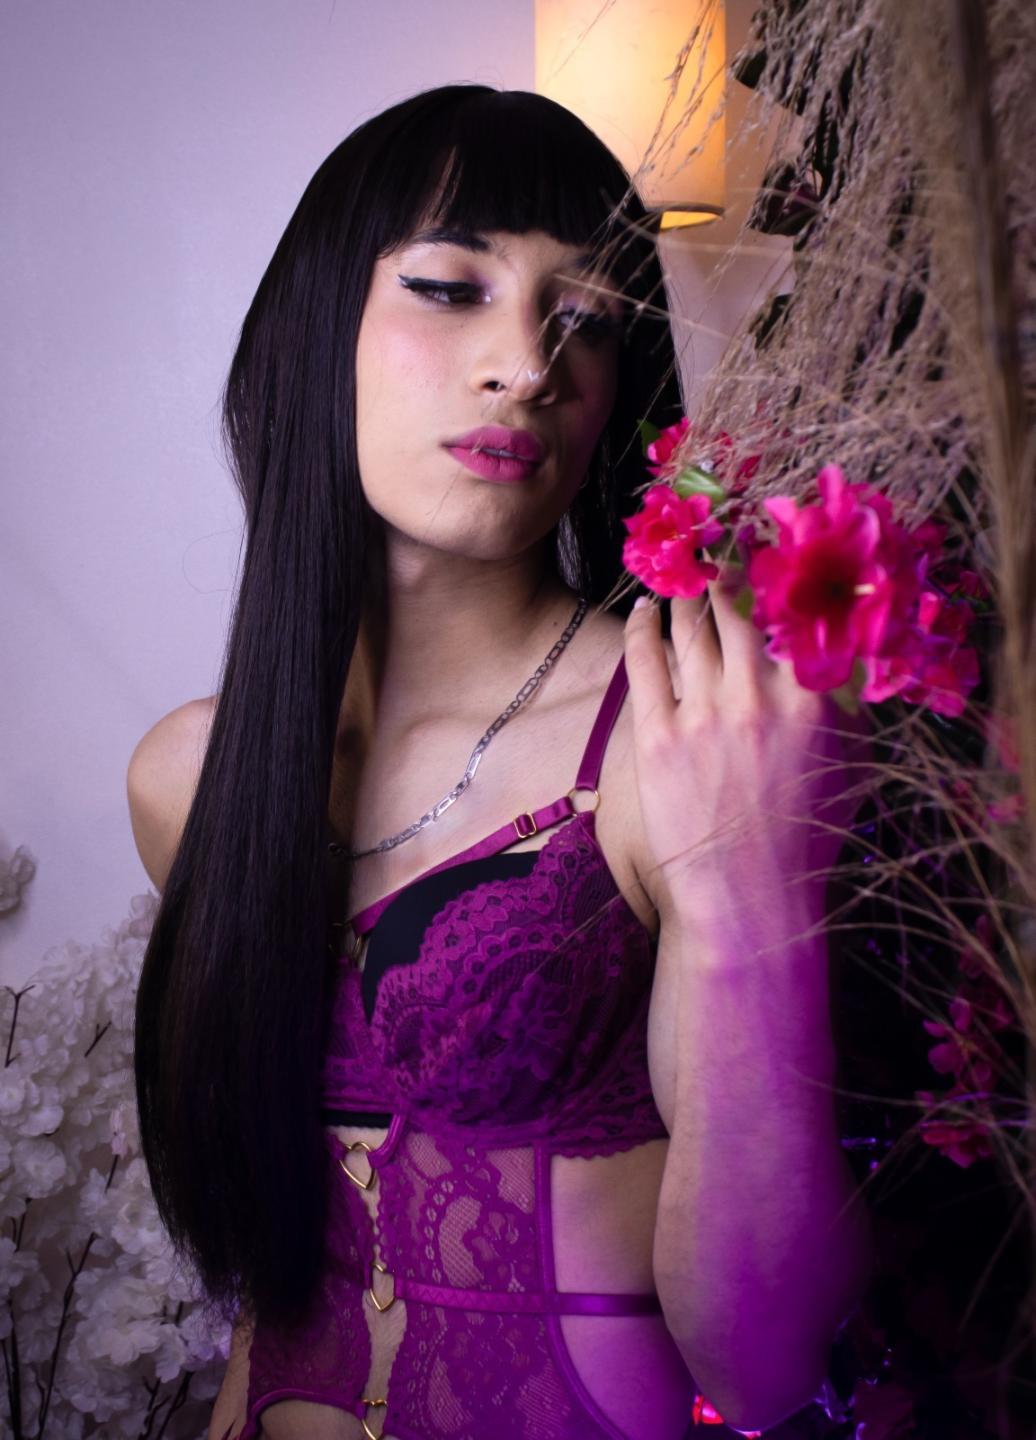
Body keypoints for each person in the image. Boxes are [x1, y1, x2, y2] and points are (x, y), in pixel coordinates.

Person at [127, 84, 873, 1440]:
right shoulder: (194, 780)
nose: (528, 364)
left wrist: (753, 895)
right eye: (448, 287)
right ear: (313, 329)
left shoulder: (679, 735)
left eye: (585, 316)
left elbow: (762, 1369)